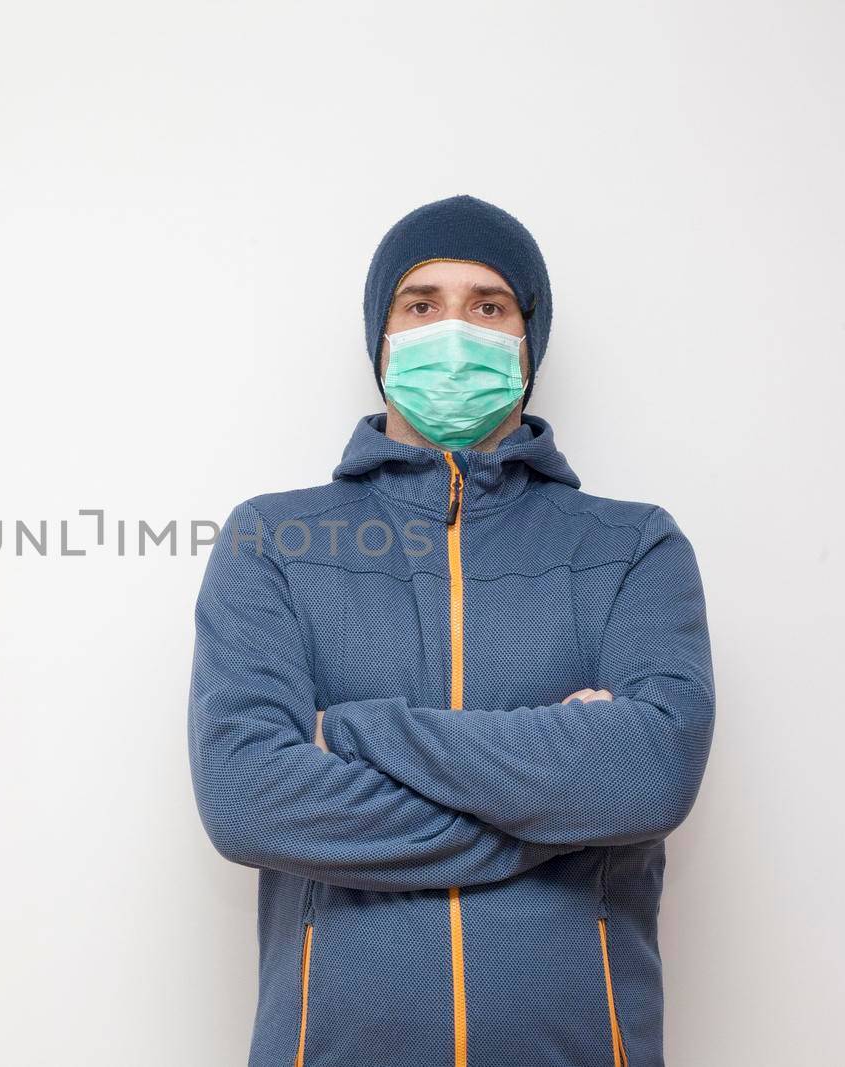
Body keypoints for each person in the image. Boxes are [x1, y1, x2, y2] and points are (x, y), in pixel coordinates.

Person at [186, 194, 715, 1067]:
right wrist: (558, 811)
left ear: (527, 338)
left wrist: (351, 732)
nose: (455, 328)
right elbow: (246, 797)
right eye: (422, 303)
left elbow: (650, 773)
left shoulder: (632, 547)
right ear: (382, 336)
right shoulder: (274, 541)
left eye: (488, 305)